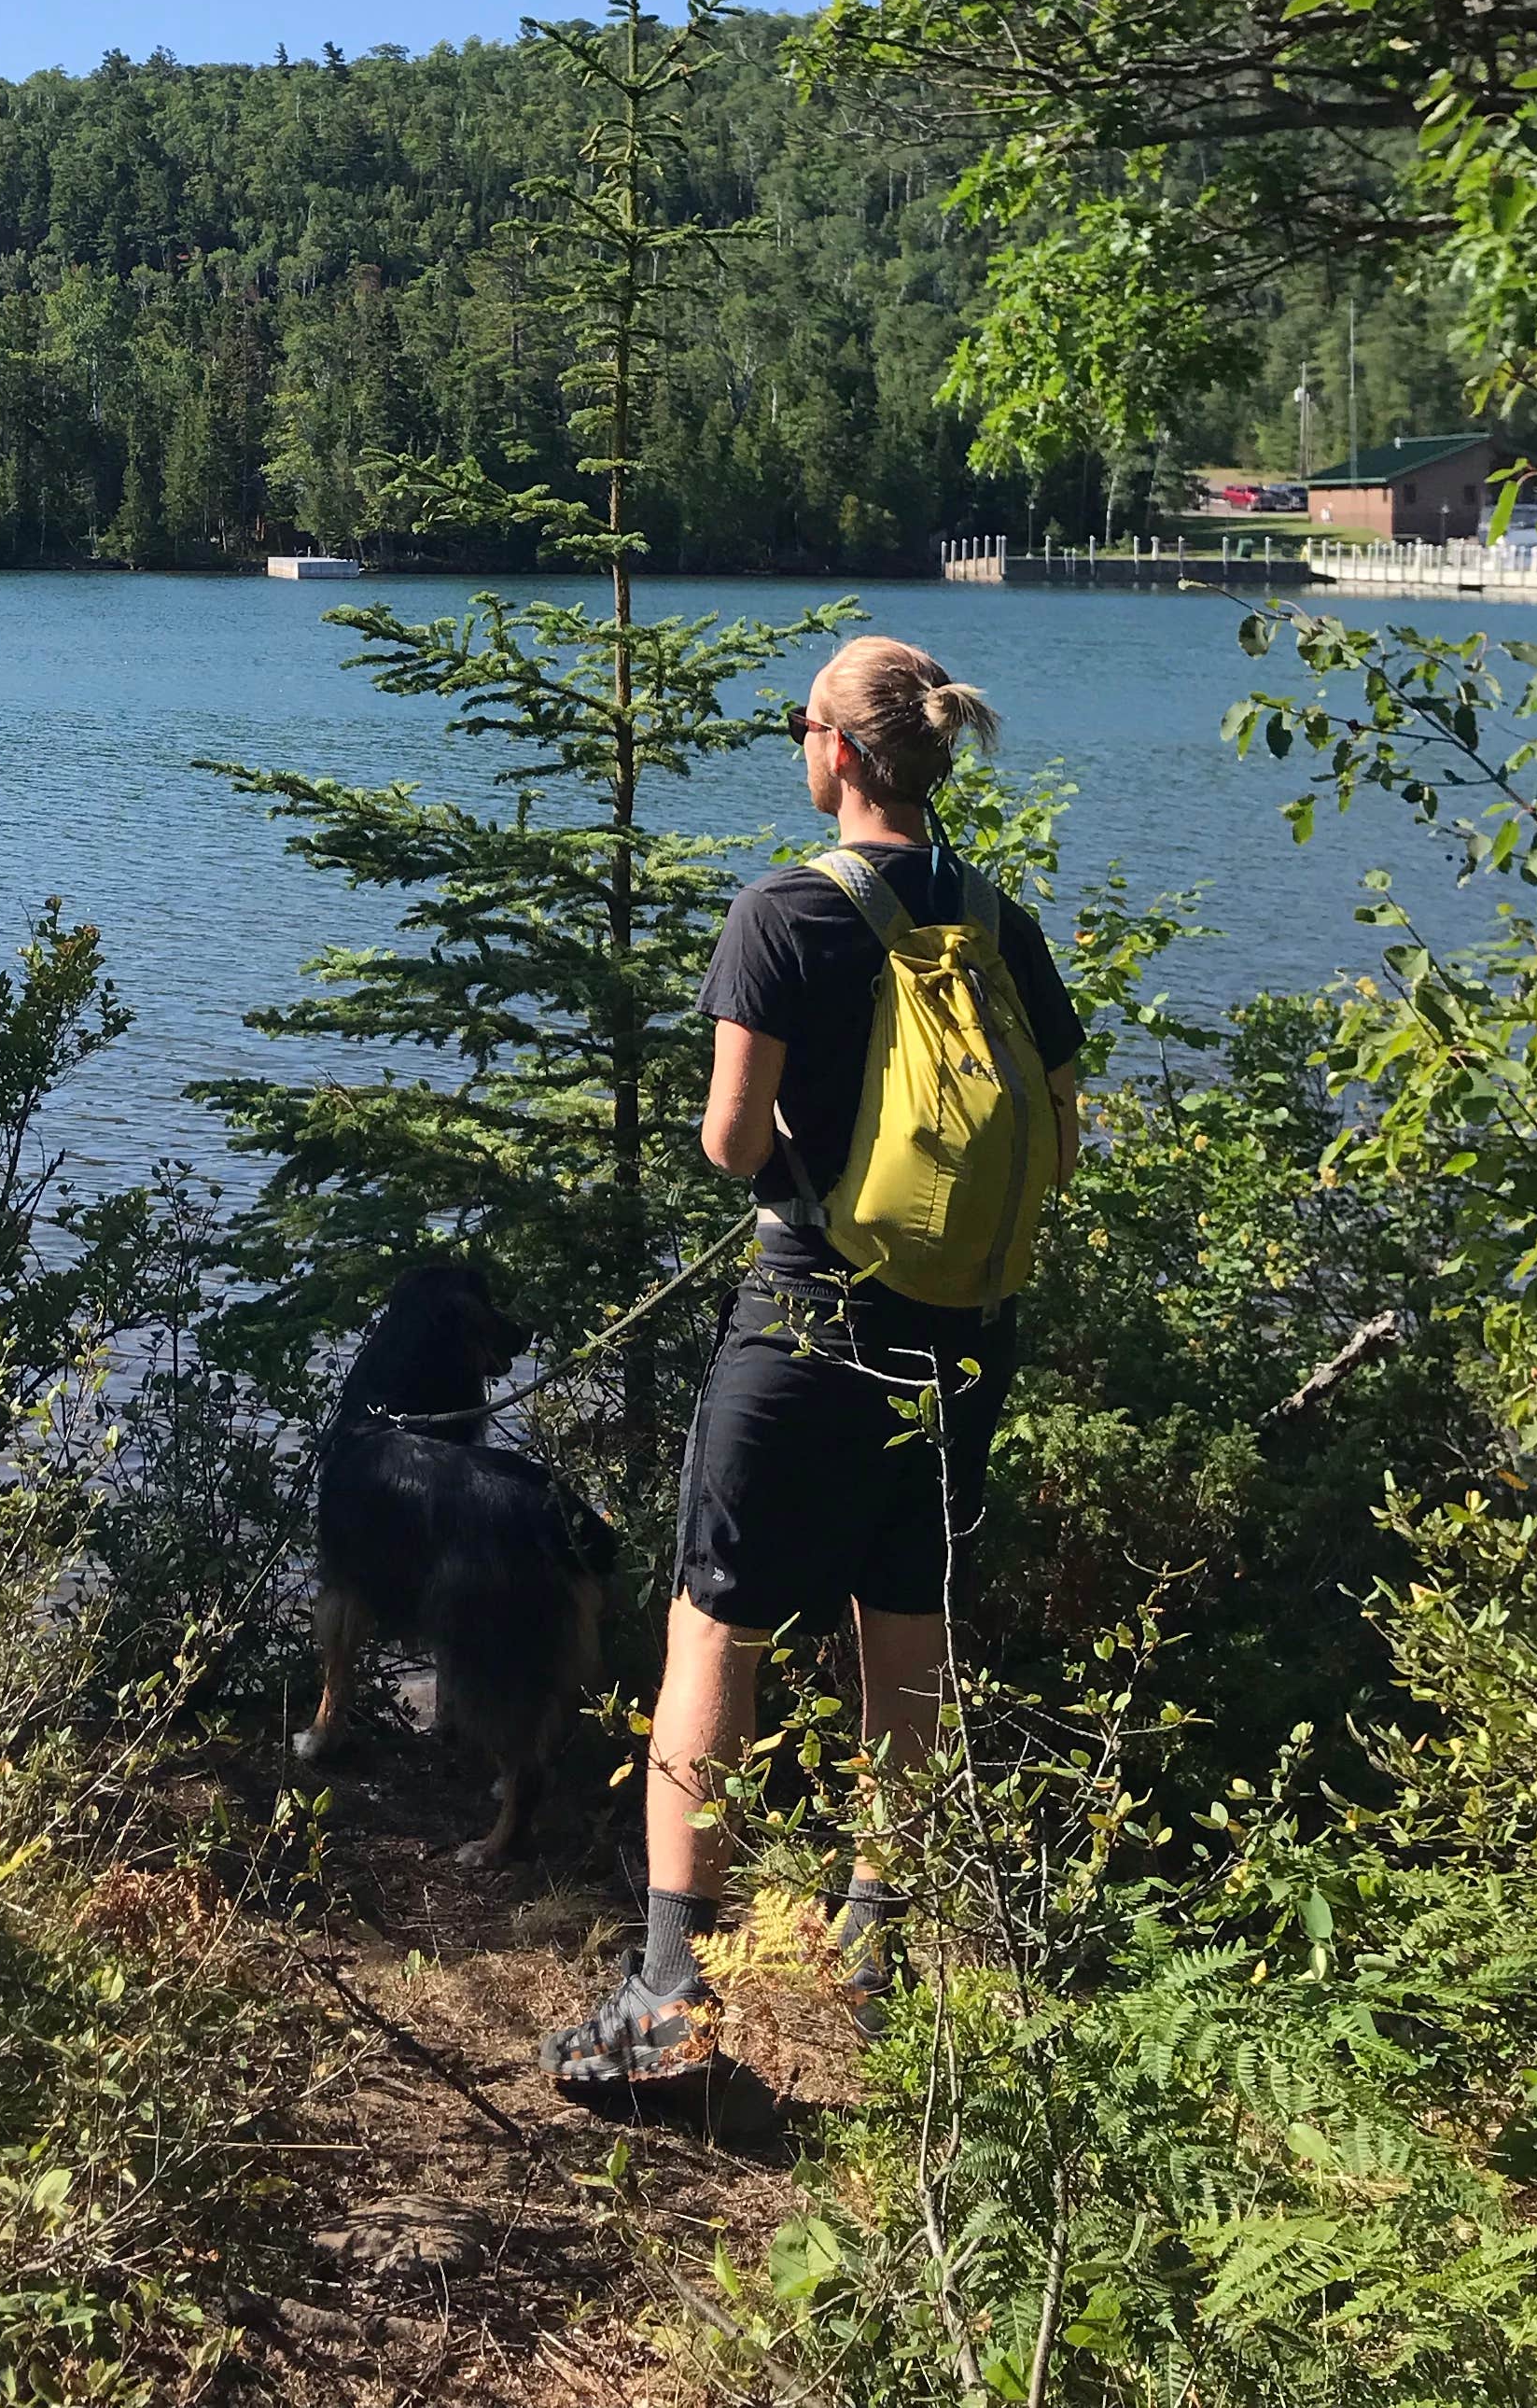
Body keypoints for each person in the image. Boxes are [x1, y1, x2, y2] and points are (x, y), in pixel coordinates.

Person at [542, 634, 1084, 2093]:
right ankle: (874, 1943)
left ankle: (671, 1998)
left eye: (804, 726)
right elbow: (1064, 1137)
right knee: (905, 1629)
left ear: (836, 752)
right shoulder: (1000, 922)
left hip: (807, 1324)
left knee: (716, 1626)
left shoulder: (784, 910)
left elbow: (730, 1139)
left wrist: (812, 1187)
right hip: (964, 1334)